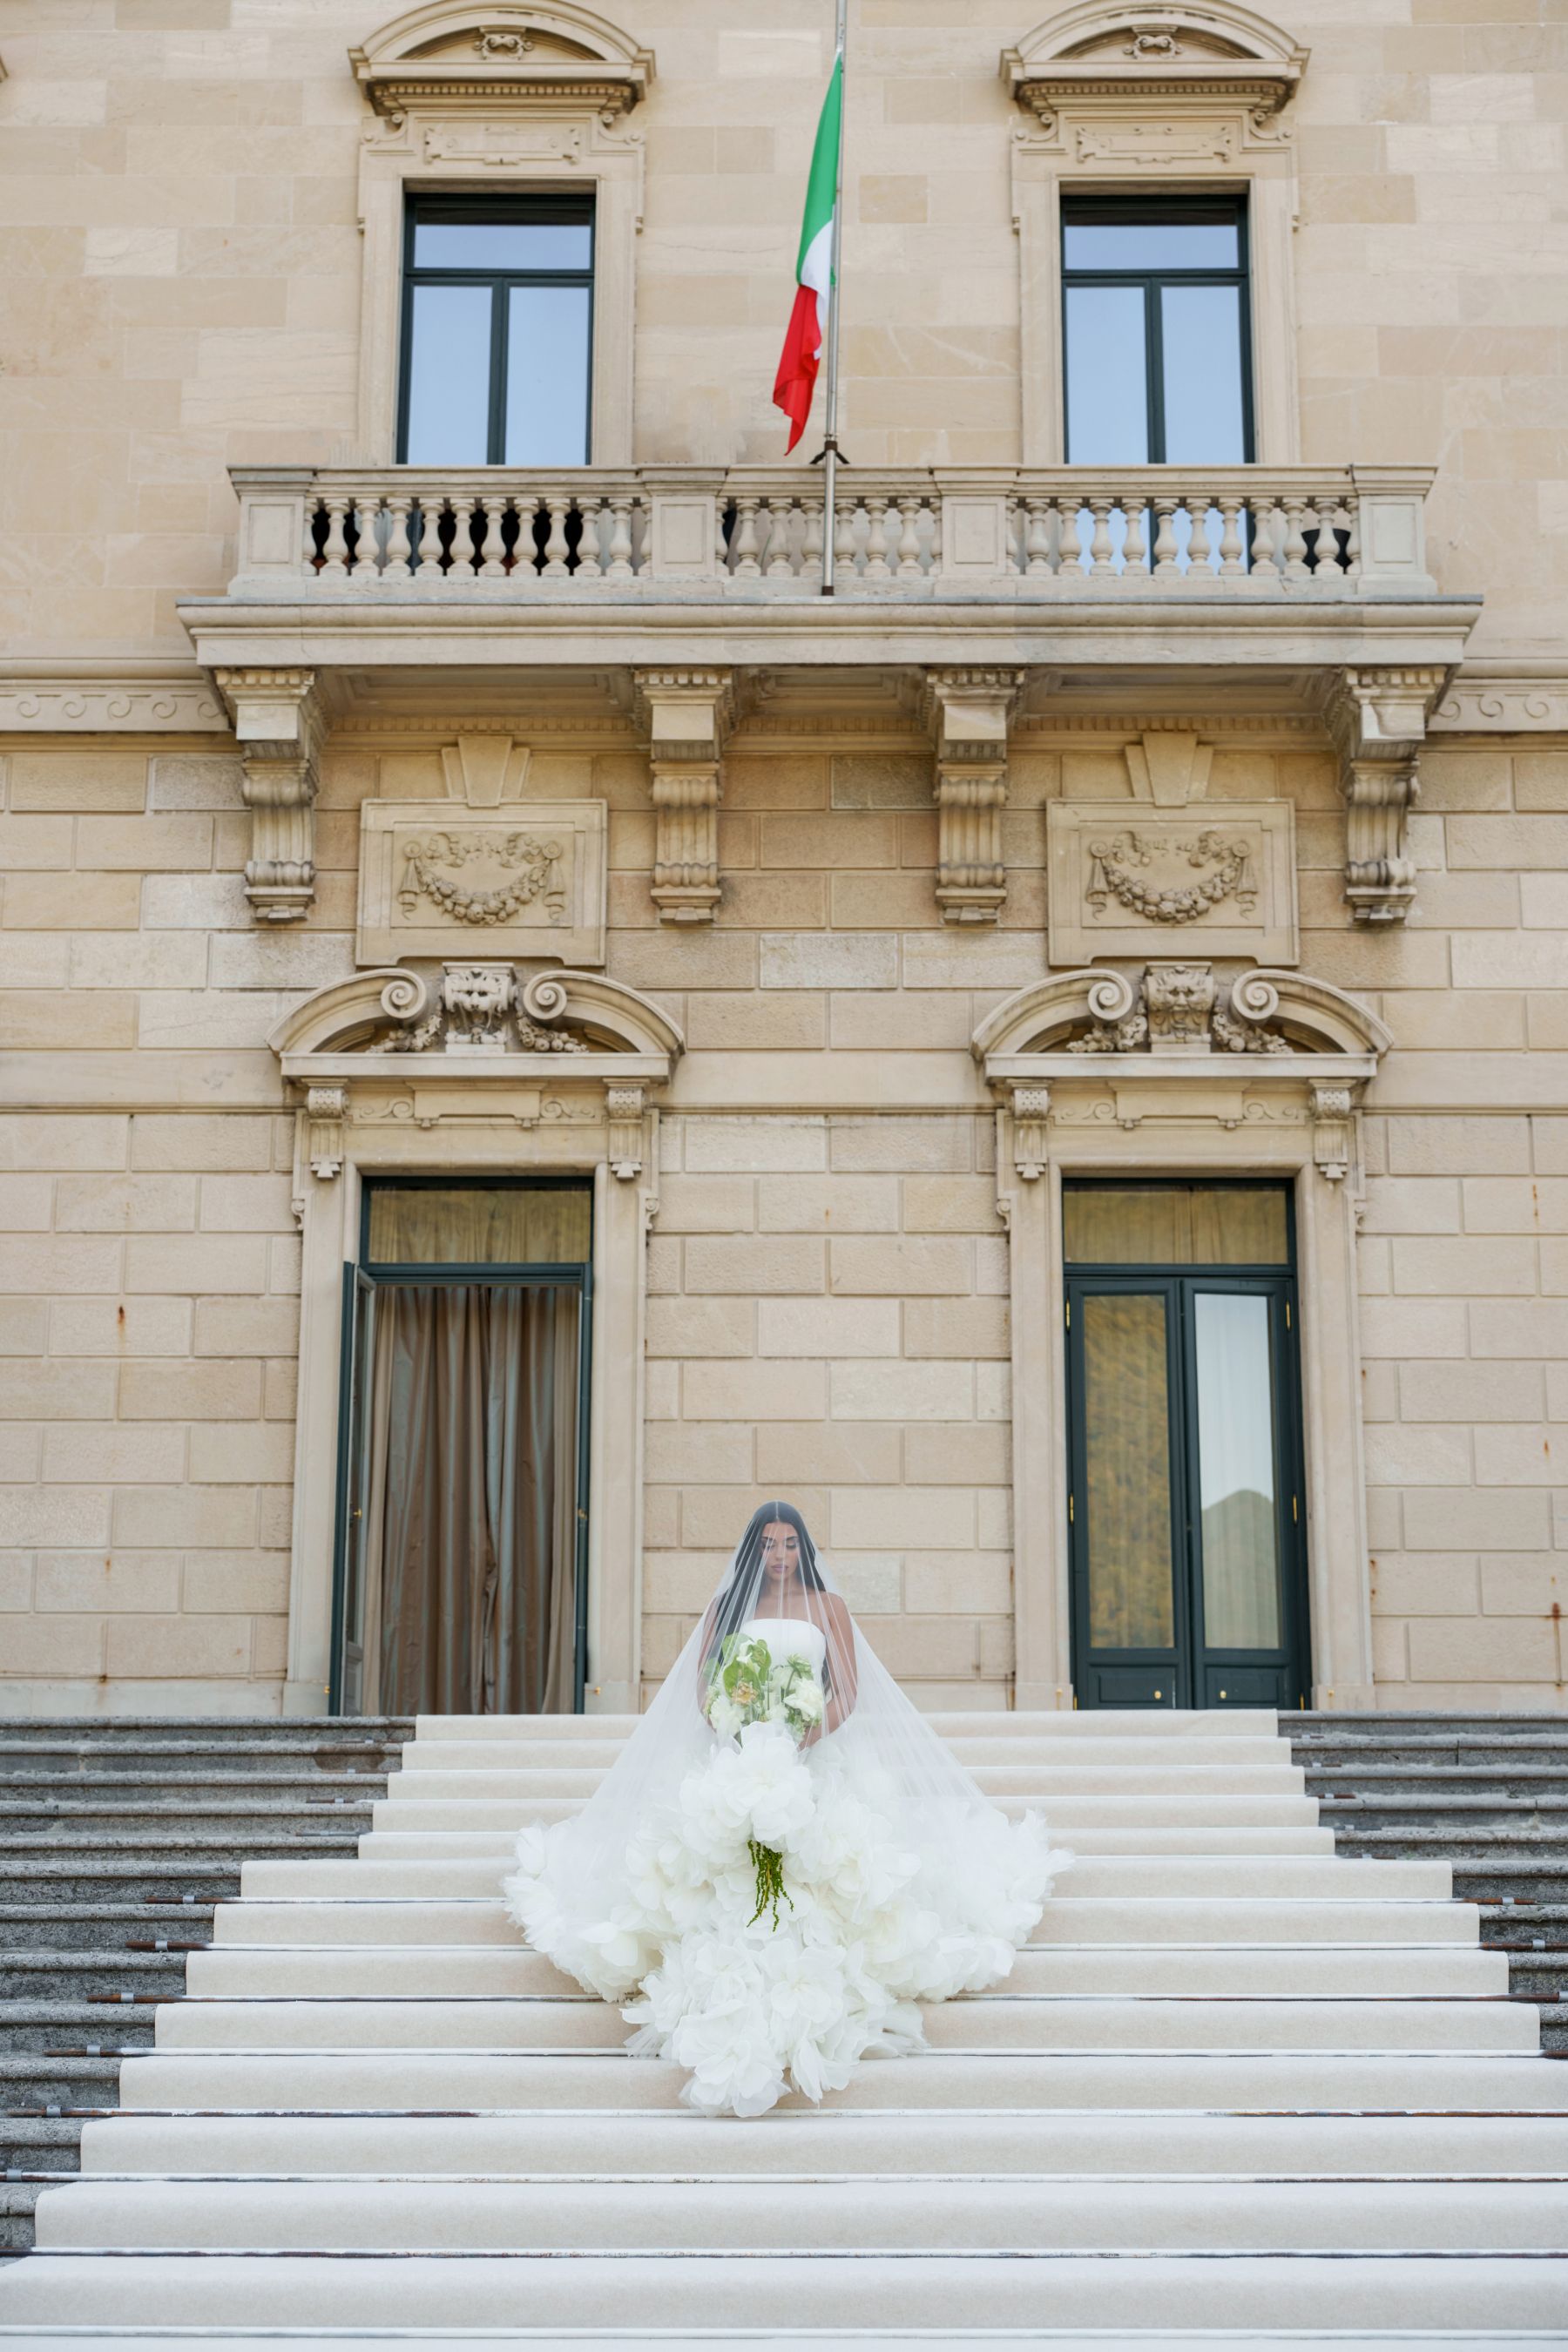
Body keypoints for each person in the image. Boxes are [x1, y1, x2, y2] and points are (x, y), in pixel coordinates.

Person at [504, 1500, 1065, 2118]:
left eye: (790, 1544)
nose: (780, 1555)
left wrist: (804, 1733)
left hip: (812, 1754)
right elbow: (704, 1687)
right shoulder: (726, 1608)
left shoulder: (828, 1608)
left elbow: (846, 1690)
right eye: (769, 1544)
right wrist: (737, 1728)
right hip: (739, 1757)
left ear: (804, 1549)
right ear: (754, 1550)